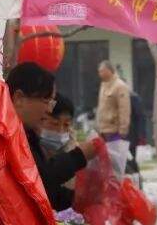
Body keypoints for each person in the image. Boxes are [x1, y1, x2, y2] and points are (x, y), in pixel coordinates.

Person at [7, 62, 97, 212]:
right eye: (46, 100)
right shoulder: (4, 136)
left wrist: (80, 199)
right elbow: (38, 180)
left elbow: (48, 193)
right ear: (19, 98)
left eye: (52, 101)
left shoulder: (25, 134)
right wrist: (78, 156)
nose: (49, 109)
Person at [96, 60, 131, 141]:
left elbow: (124, 109)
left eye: (101, 71)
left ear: (108, 71)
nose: (99, 74)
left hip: (114, 130)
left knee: (116, 153)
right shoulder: (103, 85)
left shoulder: (120, 86)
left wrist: (123, 129)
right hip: (103, 130)